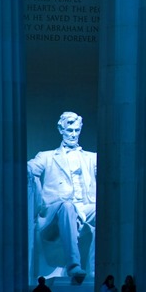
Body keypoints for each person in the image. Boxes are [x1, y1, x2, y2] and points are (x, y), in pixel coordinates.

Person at [28, 111, 97, 283]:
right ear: (61, 130)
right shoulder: (46, 156)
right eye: (69, 130)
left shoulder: (92, 158)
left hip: (85, 207)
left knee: (101, 209)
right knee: (67, 206)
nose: (73, 134)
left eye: (76, 130)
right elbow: (30, 168)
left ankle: (96, 269)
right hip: (55, 211)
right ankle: (73, 265)